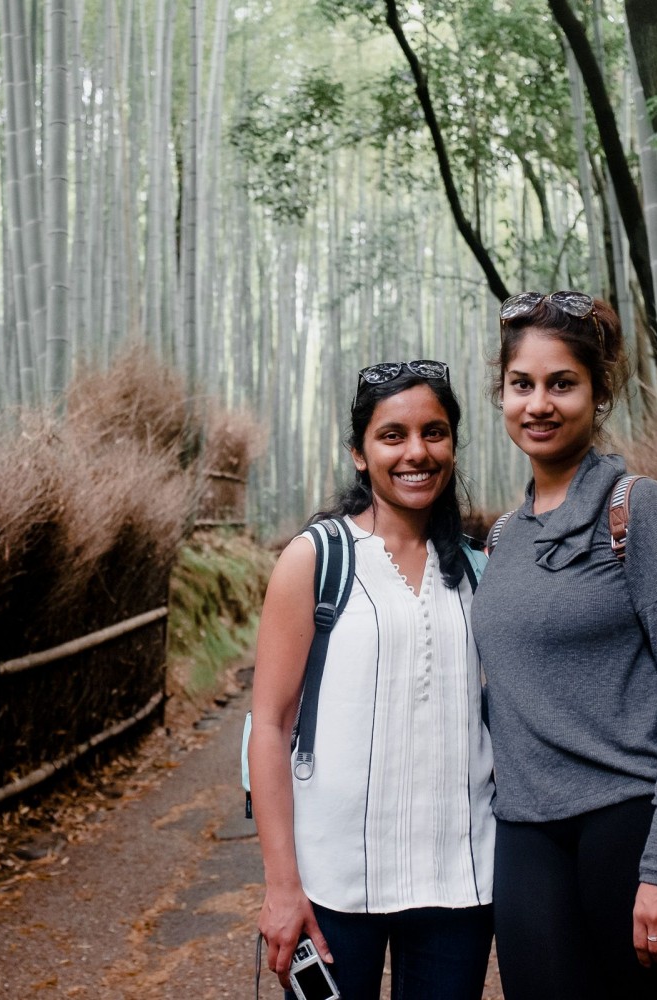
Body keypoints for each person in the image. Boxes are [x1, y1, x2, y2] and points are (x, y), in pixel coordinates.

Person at [473, 291, 657, 1000]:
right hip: (528, 830)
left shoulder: (640, 509)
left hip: (636, 815)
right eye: (522, 384)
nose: (539, 404)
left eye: (562, 384)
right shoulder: (504, 538)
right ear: (501, 395)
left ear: (598, 394)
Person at [249, 360, 495, 999]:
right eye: (393, 435)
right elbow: (269, 726)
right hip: (333, 883)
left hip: (460, 878)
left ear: (453, 445)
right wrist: (282, 885)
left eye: (434, 432)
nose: (417, 452)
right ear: (359, 453)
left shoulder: (478, 568)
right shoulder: (317, 558)